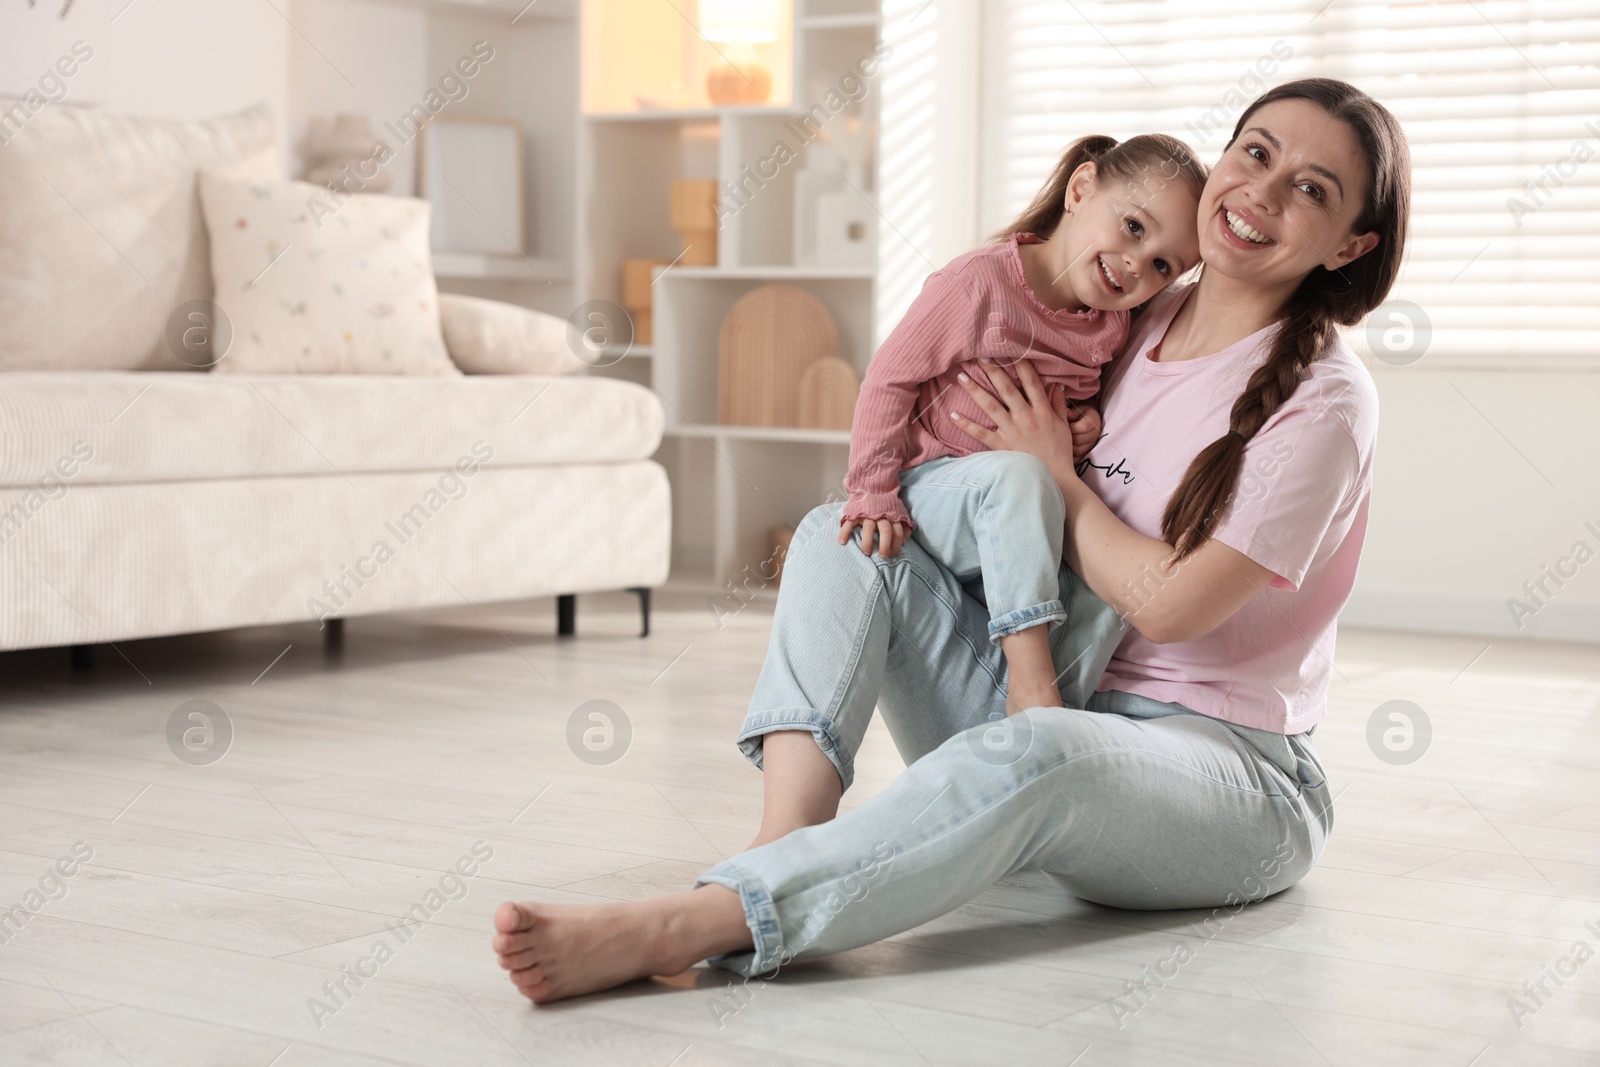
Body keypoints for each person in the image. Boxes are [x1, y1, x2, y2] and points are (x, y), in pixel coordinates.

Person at [489, 77, 1410, 1004]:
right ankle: (784, 842)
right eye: (1256, 153)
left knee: (1042, 751)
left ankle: (697, 921)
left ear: (1350, 245)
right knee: (844, 534)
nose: (1264, 190)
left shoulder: (1326, 398)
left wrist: (1050, 471)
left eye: (1313, 189)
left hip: (1228, 776)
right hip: (1054, 700)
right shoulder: (1131, 317)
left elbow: (1171, 604)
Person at [838, 133, 1205, 715]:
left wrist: (1080, 425)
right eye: (1133, 227)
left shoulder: (1109, 327)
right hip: (937, 488)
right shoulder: (978, 285)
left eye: (1163, 265)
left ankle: (1050, 717)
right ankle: (1031, 686)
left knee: (1109, 585)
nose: (1138, 262)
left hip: (1014, 518)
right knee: (1017, 479)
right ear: (1081, 189)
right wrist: (872, 490)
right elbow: (889, 379)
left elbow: (1072, 405)